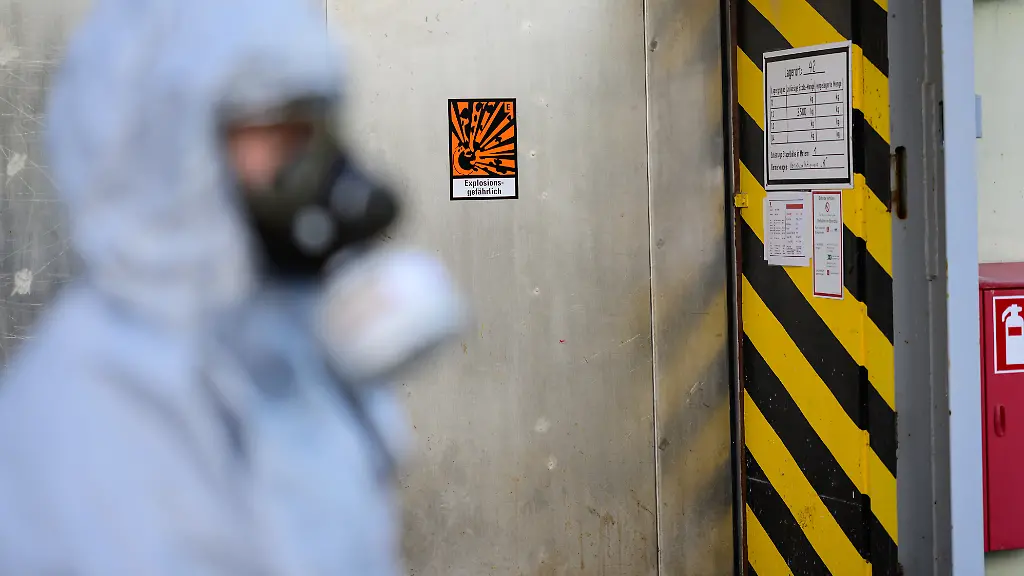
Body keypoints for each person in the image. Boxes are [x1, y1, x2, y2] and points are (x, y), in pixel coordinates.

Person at [0, 0, 464, 574]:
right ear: (161, 145)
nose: (319, 167)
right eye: (277, 131)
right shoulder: (85, 414)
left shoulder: (287, 349)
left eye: (315, 125)